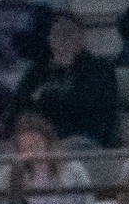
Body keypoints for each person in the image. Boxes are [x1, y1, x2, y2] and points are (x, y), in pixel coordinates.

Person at [15, 10, 120, 150]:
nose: (63, 38)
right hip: (37, 140)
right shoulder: (37, 71)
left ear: (81, 36)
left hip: (82, 139)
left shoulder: (100, 69)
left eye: (68, 32)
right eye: (56, 33)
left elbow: (99, 114)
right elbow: (20, 105)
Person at [0, 113, 95, 204]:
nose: (31, 154)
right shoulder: (7, 175)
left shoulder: (74, 170)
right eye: (25, 148)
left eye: (36, 146)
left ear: (49, 145)